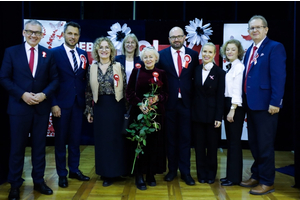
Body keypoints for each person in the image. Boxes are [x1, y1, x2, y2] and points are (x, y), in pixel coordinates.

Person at [0, 20, 59, 200]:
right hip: (19, 109)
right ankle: (15, 185)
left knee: (39, 148)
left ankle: (39, 181)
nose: (34, 35)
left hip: (41, 109)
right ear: (24, 33)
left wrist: (44, 95)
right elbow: (4, 78)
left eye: (37, 33)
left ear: (42, 35)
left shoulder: (47, 54)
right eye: (30, 32)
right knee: (17, 148)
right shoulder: (11, 52)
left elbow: (55, 80)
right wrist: (22, 94)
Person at [240, 15, 286, 195]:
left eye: (259, 27)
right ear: (248, 31)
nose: (255, 30)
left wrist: (276, 102)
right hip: (251, 105)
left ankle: (267, 181)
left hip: (267, 105)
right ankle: (257, 175)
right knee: (254, 143)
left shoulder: (275, 47)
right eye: (252, 28)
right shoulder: (250, 49)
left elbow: (279, 77)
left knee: (265, 145)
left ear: (266, 29)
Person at [156, 26, 198, 185]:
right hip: (169, 104)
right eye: (173, 37)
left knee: (186, 139)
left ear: (185, 37)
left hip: (187, 104)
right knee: (170, 139)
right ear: (169, 39)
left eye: (179, 36)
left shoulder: (193, 55)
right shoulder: (161, 55)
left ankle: (186, 172)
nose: (177, 39)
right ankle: (172, 170)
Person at [51, 21, 90, 188]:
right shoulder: (54, 53)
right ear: (63, 34)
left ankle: (74, 169)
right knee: (60, 141)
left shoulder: (83, 53)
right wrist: (53, 104)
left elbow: (83, 79)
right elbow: (50, 80)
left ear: (79, 37)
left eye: (75, 34)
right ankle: (62, 174)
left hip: (78, 104)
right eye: (70, 33)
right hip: (60, 104)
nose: (72, 37)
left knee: (75, 140)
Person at [85, 37, 129, 187]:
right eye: (101, 47)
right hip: (100, 107)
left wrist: (128, 111)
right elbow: (88, 91)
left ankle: (119, 170)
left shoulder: (118, 66)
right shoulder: (92, 68)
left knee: (117, 140)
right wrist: (89, 110)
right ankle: (106, 173)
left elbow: (126, 87)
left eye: (107, 47)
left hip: (117, 106)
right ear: (97, 50)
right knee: (103, 141)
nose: (104, 50)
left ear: (111, 50)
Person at [126, 46, 169, 190]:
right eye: (146, 57)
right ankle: (139, 175)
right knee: (139, 145)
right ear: (142, 59)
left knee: (154, 145)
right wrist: (140, 104)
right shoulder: (136, 71)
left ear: (156, 58)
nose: (148, 59)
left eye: (151, 57)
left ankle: (151, 174)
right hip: (139, 115)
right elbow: (129, 92)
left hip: (156, 116)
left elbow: (166, 94)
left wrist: (157, 98)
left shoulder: (162, 73)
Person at [191, 42, 225, 184]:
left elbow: (220, 97)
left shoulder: (220, 73)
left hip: (212, 116)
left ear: (215, 55)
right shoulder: (196, 70)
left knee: (211, 147)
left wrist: (219, 116)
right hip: (197, 115)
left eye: (210, 52)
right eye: (204, 51)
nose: (206, 54)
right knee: (199, 147)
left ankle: (211, 174)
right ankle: (201, 174)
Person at [219, 39, 245, 186]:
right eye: (227, 49)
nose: (229, 52)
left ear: (239, 51)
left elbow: (237, 91)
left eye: (233, 49)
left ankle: (234, 178)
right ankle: (230, 176)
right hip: (228, 104)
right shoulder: (230, 67)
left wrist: (232, 109)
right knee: (230, 142)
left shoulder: (239, 67)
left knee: (234, 143)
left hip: (235, 106)